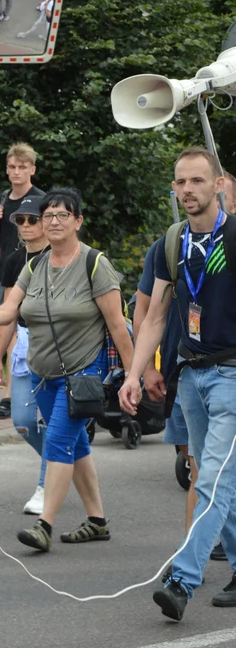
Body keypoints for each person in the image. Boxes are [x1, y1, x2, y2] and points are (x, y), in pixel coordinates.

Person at [0, 188, 133, 553]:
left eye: (64, 215)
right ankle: (97, 521)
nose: (54, 221)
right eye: (48, 216)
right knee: (75, 444)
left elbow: (117, 324)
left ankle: (44, 525)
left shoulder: (94, 263)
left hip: (83, 372)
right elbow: (6, 312)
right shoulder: (34, 266)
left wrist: (133, 376)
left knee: (60, 441)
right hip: (42, 374)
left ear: (78, 221)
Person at [120, 147, 236, 622]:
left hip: (231, 375)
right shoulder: (172, 243)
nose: (188, 190)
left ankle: (182, 580)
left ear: (217, 186)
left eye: (197, 181)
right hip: (190, 376)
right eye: (180, 182)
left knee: (211, 479)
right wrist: (133, 373)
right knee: (218, 478)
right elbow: (154, 317)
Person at [0, 197, 49, 514]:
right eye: (19, 220)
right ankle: (61, 461)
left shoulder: (60, 256)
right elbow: (8, 315)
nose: (25, 225)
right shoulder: (13, 261)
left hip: (57, 346)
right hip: (25, 346)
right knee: (24, 422)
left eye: (31, 219)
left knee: (55, 423)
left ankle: (46, 484)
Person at [0, 143, 47, 419]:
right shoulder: (4, 199)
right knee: (8, 326)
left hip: (36, 268)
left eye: (22, 167)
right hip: (11, 268)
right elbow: (3, 237)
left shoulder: (42, 199)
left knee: (28, 327)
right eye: (12, 167)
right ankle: (10, 393)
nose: (16, 172)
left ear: (32, 169)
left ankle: (22, 391)